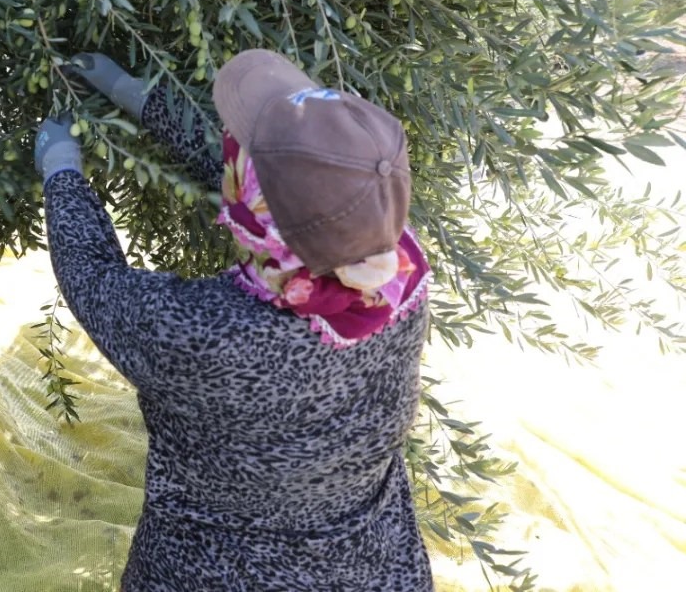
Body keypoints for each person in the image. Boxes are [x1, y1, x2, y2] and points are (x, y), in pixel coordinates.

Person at [34, 49, 434, 591]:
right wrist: (140, 98)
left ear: (253, 208)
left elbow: (93, 279)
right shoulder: (396, 276)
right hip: (373, 568)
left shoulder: (201, 333)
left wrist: (61, 170)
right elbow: (286, 191)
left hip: (206, 573)